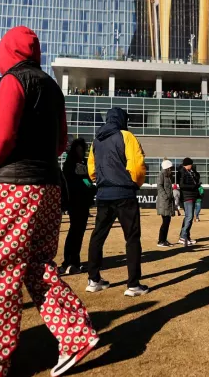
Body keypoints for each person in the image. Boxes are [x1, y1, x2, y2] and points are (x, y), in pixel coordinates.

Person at [0, 26, 98, 377]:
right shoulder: (53, 88)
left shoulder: (12, 80)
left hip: (14, 185)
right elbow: (61, 142)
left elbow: (1, 135)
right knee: (39, 266)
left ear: (6, 52)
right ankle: (76, 334)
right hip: (49, 187)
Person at [86, 107, 149, 296]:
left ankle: (93, 280)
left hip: (104, 194)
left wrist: (99, 182)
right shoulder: (126, 135)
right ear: (122, 120)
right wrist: (134, 183)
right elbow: (137, 164)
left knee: (97, 236)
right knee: (132, 238)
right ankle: (133, 285)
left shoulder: (97, 140)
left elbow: (91, 168)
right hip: (124, 193)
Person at [60, 138, 96, 275]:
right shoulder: (74, 164)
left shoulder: (75, 164)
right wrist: (91, 188)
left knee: (77, 233)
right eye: (81, 149)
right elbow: (84, 181)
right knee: (75, 232)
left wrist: (90, 188)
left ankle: (74, 261)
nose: (83, 152)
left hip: (79, 202)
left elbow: (85, 181)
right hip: (77, 202)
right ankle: (70, 262)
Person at [177, 157, 202, 246]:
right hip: (187, 197)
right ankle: (183, 237)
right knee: (189, 217)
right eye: (191, 164)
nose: (192, 166)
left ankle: (186, 237)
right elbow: (182, 185)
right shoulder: (182, 172)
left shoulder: (190, 172)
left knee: (189, 218)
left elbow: (197, 177)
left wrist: (194, 173)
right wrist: (194, 187)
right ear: (188, 164)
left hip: (192, 196)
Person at [156, 160, 176, 247]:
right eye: (170, 168)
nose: (172, 169)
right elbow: (159, 186)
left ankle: (163, 239)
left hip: (168, 202)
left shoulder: (168, 176)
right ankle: (161, 241)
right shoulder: (162, 174)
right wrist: (166, 196)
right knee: (165, 221)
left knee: (167, 221)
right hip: (164, 202)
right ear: (167, 167)